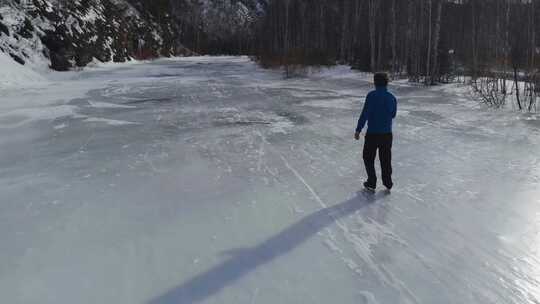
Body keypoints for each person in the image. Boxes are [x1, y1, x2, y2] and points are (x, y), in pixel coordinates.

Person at [354, 72, 397, 191]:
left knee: (368, 157)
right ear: (386, 82)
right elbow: (393, 114)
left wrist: (358, 129)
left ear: (375, 82)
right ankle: (388, 183)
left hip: (372, 134)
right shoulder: (391, 97)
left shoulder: (371, 96)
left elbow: (365, 114)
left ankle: (372, 181)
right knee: (385, 159)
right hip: (386, 135)